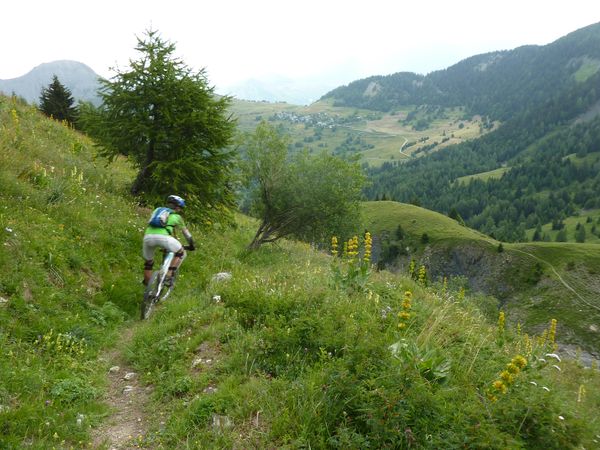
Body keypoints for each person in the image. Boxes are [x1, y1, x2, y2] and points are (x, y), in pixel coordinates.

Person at [142, 195, 195, 286]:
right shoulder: (177, 217)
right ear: (177, 207)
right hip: (163, 238)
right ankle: (169, 275)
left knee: (148, 263)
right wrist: (191, 244)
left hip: (147, 237)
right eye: (180, 208)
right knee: (180, 252)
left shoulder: (157, 210)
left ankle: (148, 288)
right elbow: (186, 234)